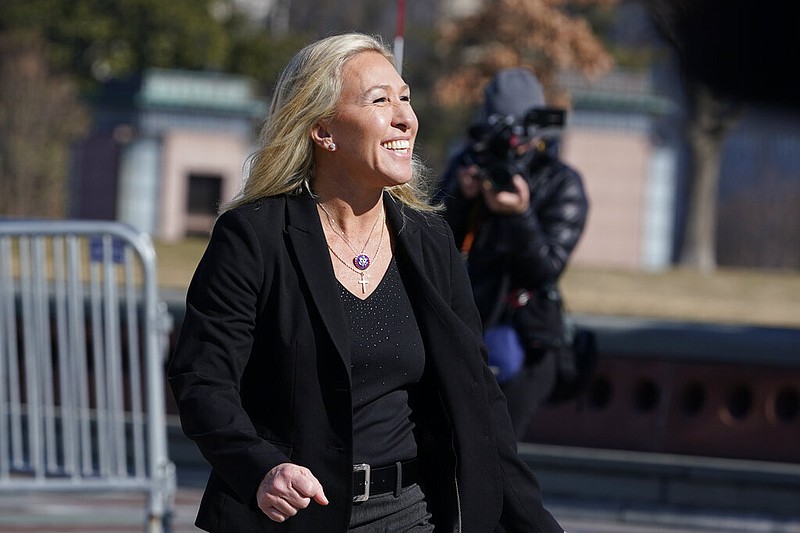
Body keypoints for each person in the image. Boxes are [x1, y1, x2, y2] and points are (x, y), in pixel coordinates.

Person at [167, 33, 565, 532]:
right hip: (291, 519)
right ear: (322, 131)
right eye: (380, 101)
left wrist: (535, 524)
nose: (405, 118)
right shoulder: (254, 235)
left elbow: (480, 400)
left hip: (411, 514)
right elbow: (202, 379)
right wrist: (260, 468)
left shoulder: (428, 239)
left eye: (406, 98)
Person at [437, 68, 589, 440]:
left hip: (526, 336)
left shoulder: (561, 182)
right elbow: (430, 248)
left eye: (519, 137)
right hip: (467, 326)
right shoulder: (469, 166)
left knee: (500, 453)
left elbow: (546, 267)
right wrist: (459, 199)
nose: (510, 148)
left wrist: (519, 214)